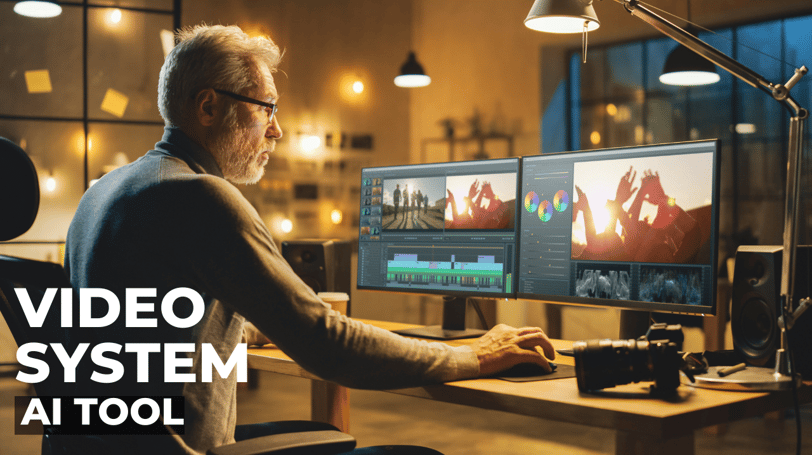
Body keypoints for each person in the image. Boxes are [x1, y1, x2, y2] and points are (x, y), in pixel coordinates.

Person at [63, 24, 554, 455]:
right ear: (209, 106)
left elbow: (152, 321)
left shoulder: (104, 192)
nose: (276, 130)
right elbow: (329, 346)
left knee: (320, 431)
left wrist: (262, 324)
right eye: (265, 109)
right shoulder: (202, 197)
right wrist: (475, 354)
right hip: (193, 450)